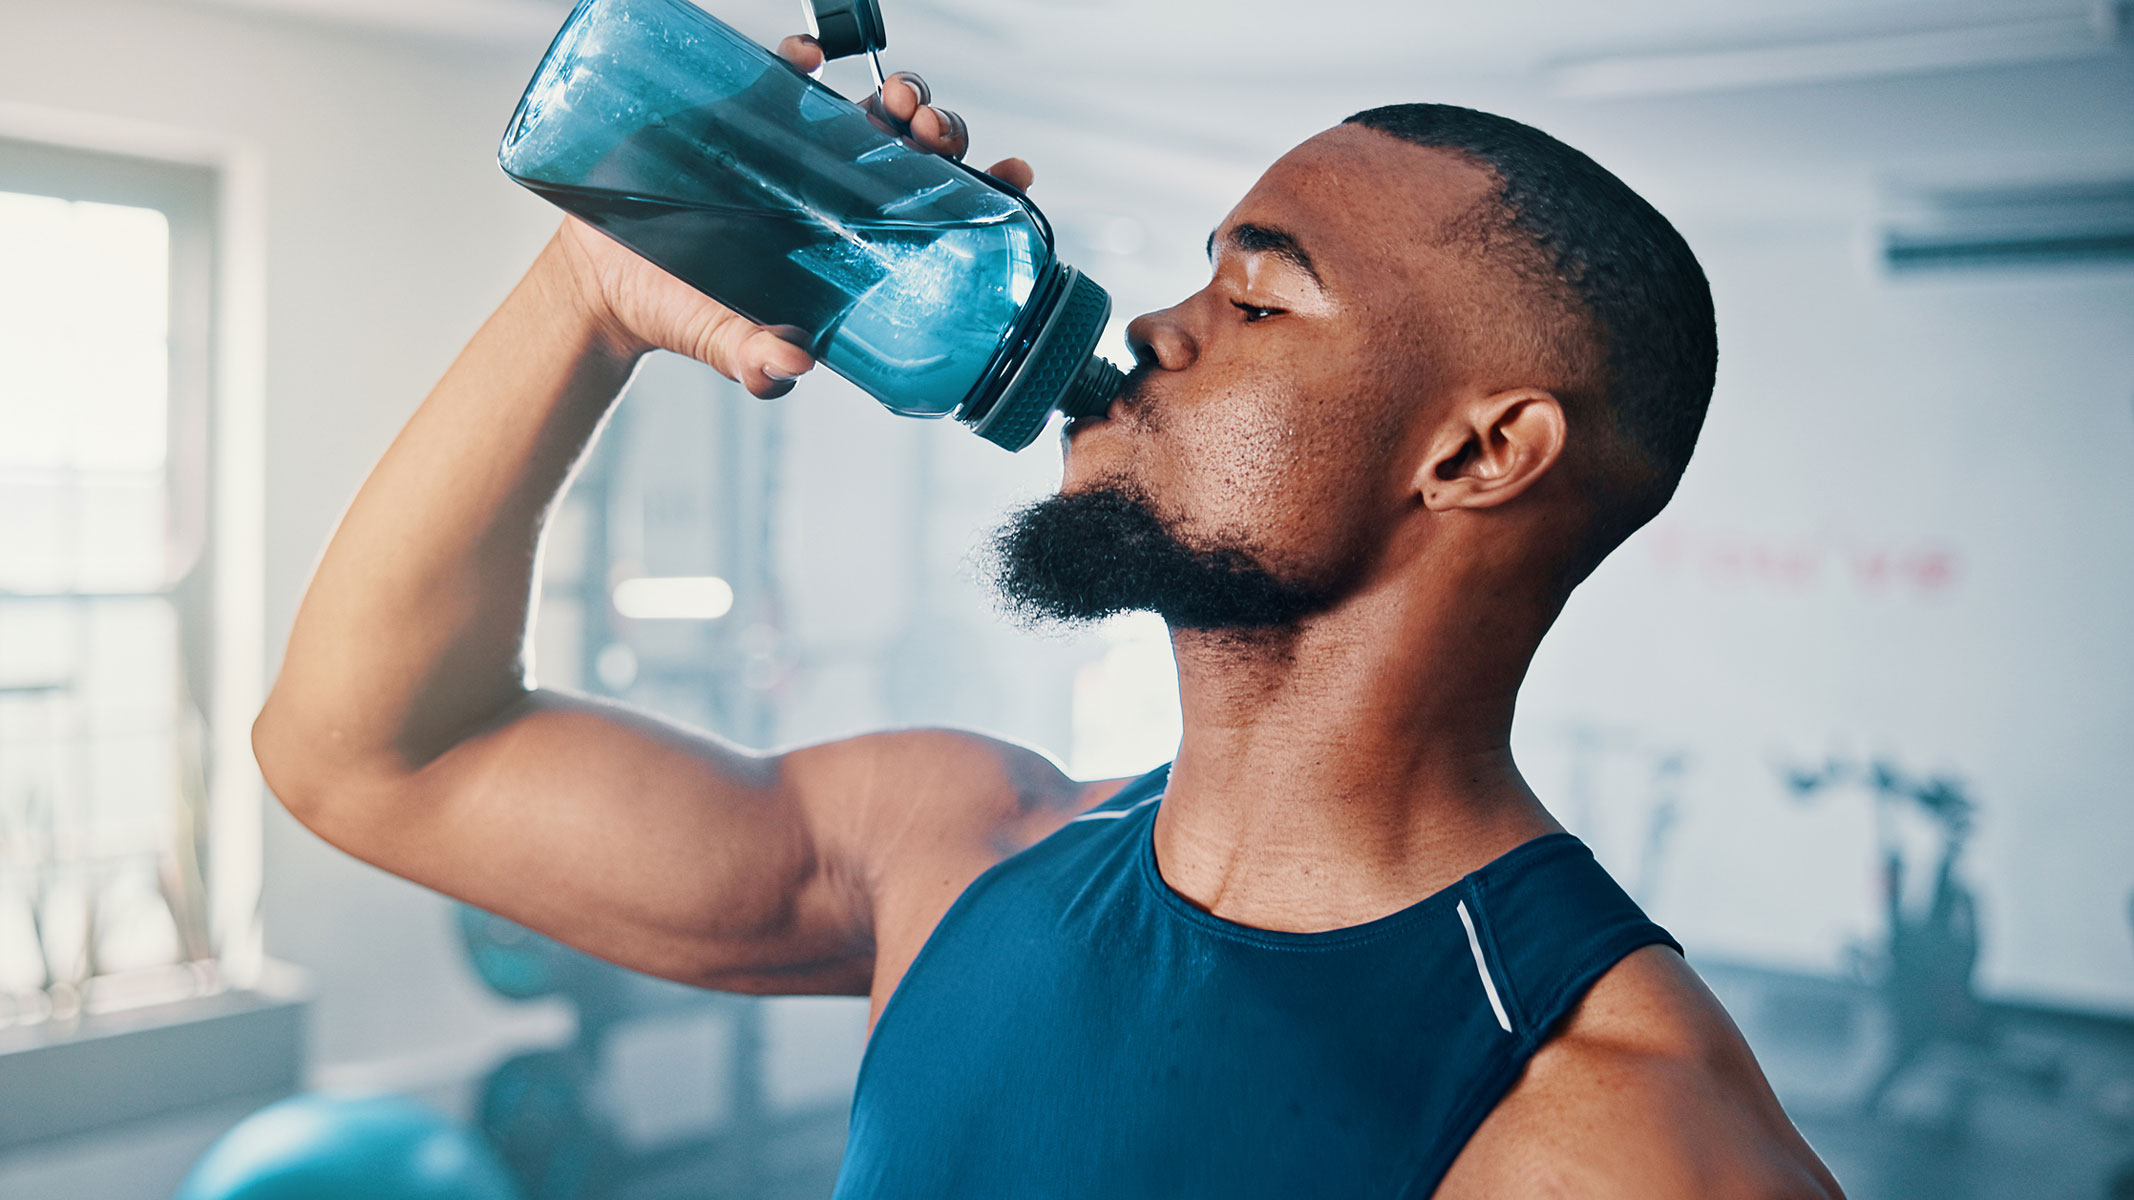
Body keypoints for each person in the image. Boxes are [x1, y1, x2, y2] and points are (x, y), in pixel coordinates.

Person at [254, 33, 1844, 1200]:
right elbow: (371, 756)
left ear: (1478, 452)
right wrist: (592, 290)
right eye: (1195, 271)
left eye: (1258, 296)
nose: (1156, 324)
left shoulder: (1621, 1139)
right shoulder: (957, 846)